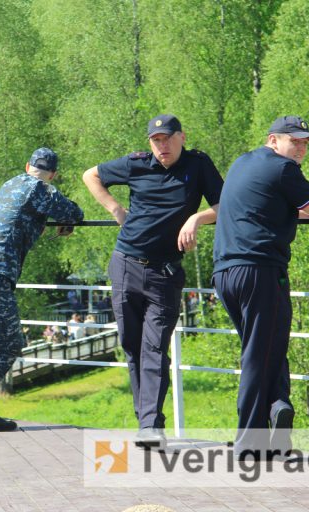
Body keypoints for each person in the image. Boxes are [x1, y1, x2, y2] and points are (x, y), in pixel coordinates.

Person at [83, 114, 223, 446]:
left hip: (165, 273)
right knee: (132, 346)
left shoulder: (198, 165)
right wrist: (116, 209)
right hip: (125, 264)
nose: (162, 146)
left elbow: (224, 205)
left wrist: (196, 219)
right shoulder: (136, 164)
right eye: (155, 140)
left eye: (167, 139)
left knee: (155, 348)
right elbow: (90, 175)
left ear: (182, 137)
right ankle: (145, 420)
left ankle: (150, 424)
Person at [212, 116, 309, 459]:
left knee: (267, 345)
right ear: (273, 140)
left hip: (225, 273)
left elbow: (265, 208)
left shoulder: (243, 163)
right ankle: (249, 443)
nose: (300, 149)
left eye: (305, 143)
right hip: (261, 272)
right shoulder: (284, 169)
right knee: (259, 354)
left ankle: (279, 410)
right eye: (294, 141)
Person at [0, 148, 84, 433]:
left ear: (27, 166)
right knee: (11, 344)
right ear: (53, 175)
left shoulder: (10, 184)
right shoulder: (41, 189)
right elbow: (74, 212)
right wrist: (65, 220)